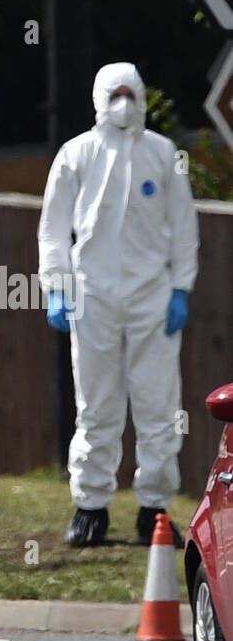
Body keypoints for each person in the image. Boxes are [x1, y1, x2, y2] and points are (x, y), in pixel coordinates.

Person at [38, 62, 199, 547]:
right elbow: (53, 226)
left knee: (158, 404)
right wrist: (57, 288)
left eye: (131, 93)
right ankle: (90, 506)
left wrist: (180, 289)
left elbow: (185, 226)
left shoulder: (163, 154)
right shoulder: (76, 154)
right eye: (116, 93)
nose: (124, 103)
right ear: (99, 98)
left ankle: (154, 507)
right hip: (93, 298)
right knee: (97, 405)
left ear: (143, 97)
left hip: (152, 298)